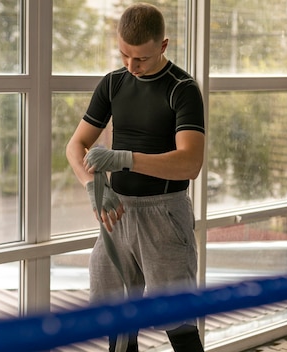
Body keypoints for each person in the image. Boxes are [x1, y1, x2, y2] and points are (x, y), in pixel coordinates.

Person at [66, 3, 205, 352]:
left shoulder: (182, 88)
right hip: (117, 213)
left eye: (140, 58)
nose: (131, 65)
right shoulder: (114, 83)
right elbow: (76, 146)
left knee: (179, 323)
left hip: (165, 215)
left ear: (163, 46)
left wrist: (124, 159)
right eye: (124, 54)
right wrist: (90, 187)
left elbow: (190, 164)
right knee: (116, 320)